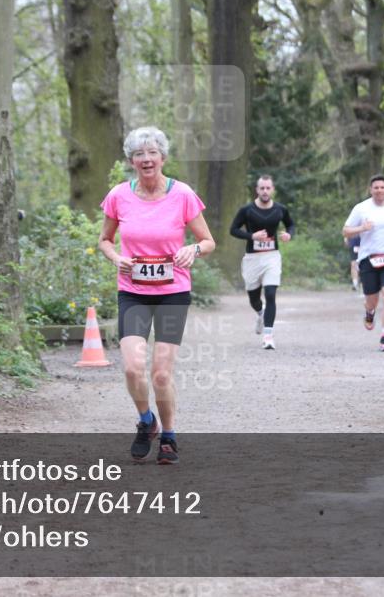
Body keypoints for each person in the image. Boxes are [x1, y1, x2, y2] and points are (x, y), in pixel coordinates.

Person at [98, 126, 215, 465]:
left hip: (172, 292)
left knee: (161, 373)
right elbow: (105, 239)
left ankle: (169, 436)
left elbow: (208, 241)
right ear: (131, 160)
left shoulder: (182, 195)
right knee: (133, 369)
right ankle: (146, 420)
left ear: (163, 157)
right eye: (139, 154)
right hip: (133, 292)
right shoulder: (119, 195)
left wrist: (192, 249)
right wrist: (117, 258)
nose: (146, 159)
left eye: (152, 153)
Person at [342, 174, 384, 352]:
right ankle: (369, 312)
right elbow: (346, 230)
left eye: (382, 187)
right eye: (376, 188)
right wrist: (362, 228)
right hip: (368, 258)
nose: (379, 190)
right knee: (371, 300)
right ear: (370, 190)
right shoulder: (361, 208)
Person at [229, 175, 295, 350]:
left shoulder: (280, 209)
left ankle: (268, 336)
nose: (265, 191)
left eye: (268, 188)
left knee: (271, 293)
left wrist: (289, 234)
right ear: (257, 190)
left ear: (272, 189)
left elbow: (290, 225)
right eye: (262, 188)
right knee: (254, 298)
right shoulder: (247, 210)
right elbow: (233, 230)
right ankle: (260, 312)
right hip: (252, 258)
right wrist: (252, 236)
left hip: (272, 256)